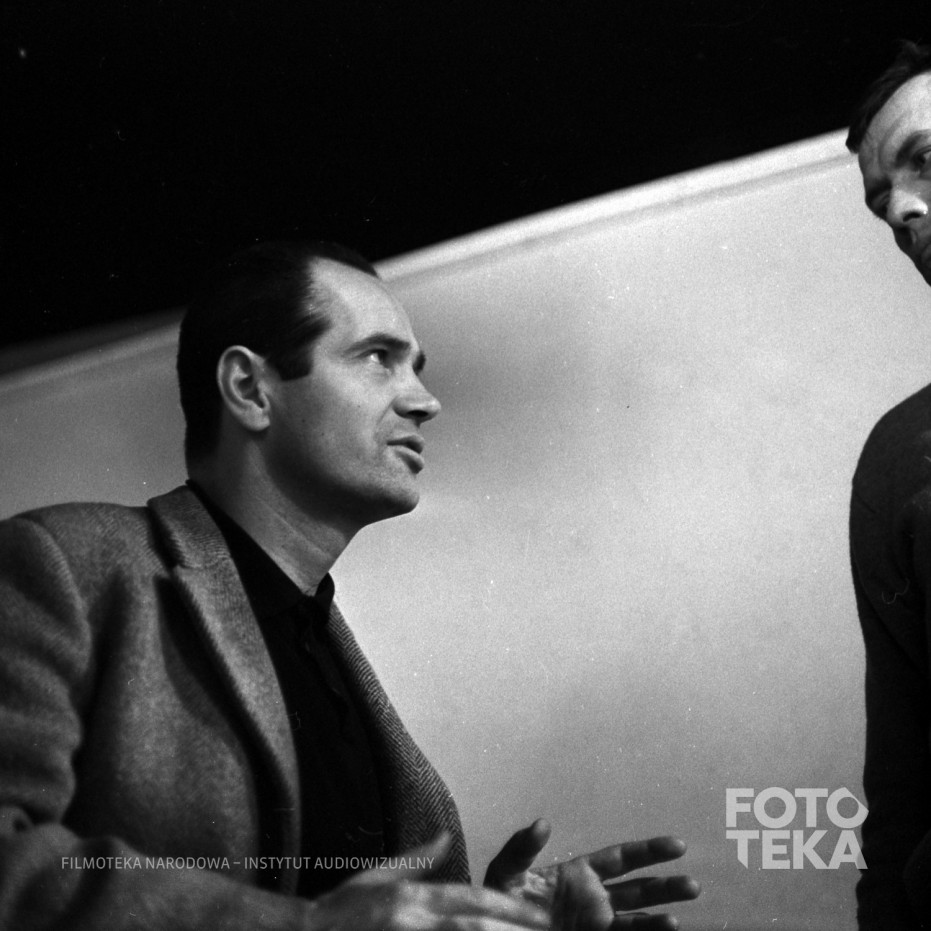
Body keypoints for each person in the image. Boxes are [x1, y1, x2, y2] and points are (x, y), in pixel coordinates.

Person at [0, 240, 700, 929]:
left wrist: (485, 918)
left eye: (415, 368)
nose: (425, 401)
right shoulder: (62, 563)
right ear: (249, 389)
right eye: (377, 358)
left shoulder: (321, 638)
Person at [847, 40, 931, 929]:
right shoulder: (901, 456)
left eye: (926, 161)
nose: (902, 210)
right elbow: (901, 787)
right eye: (882, 206)